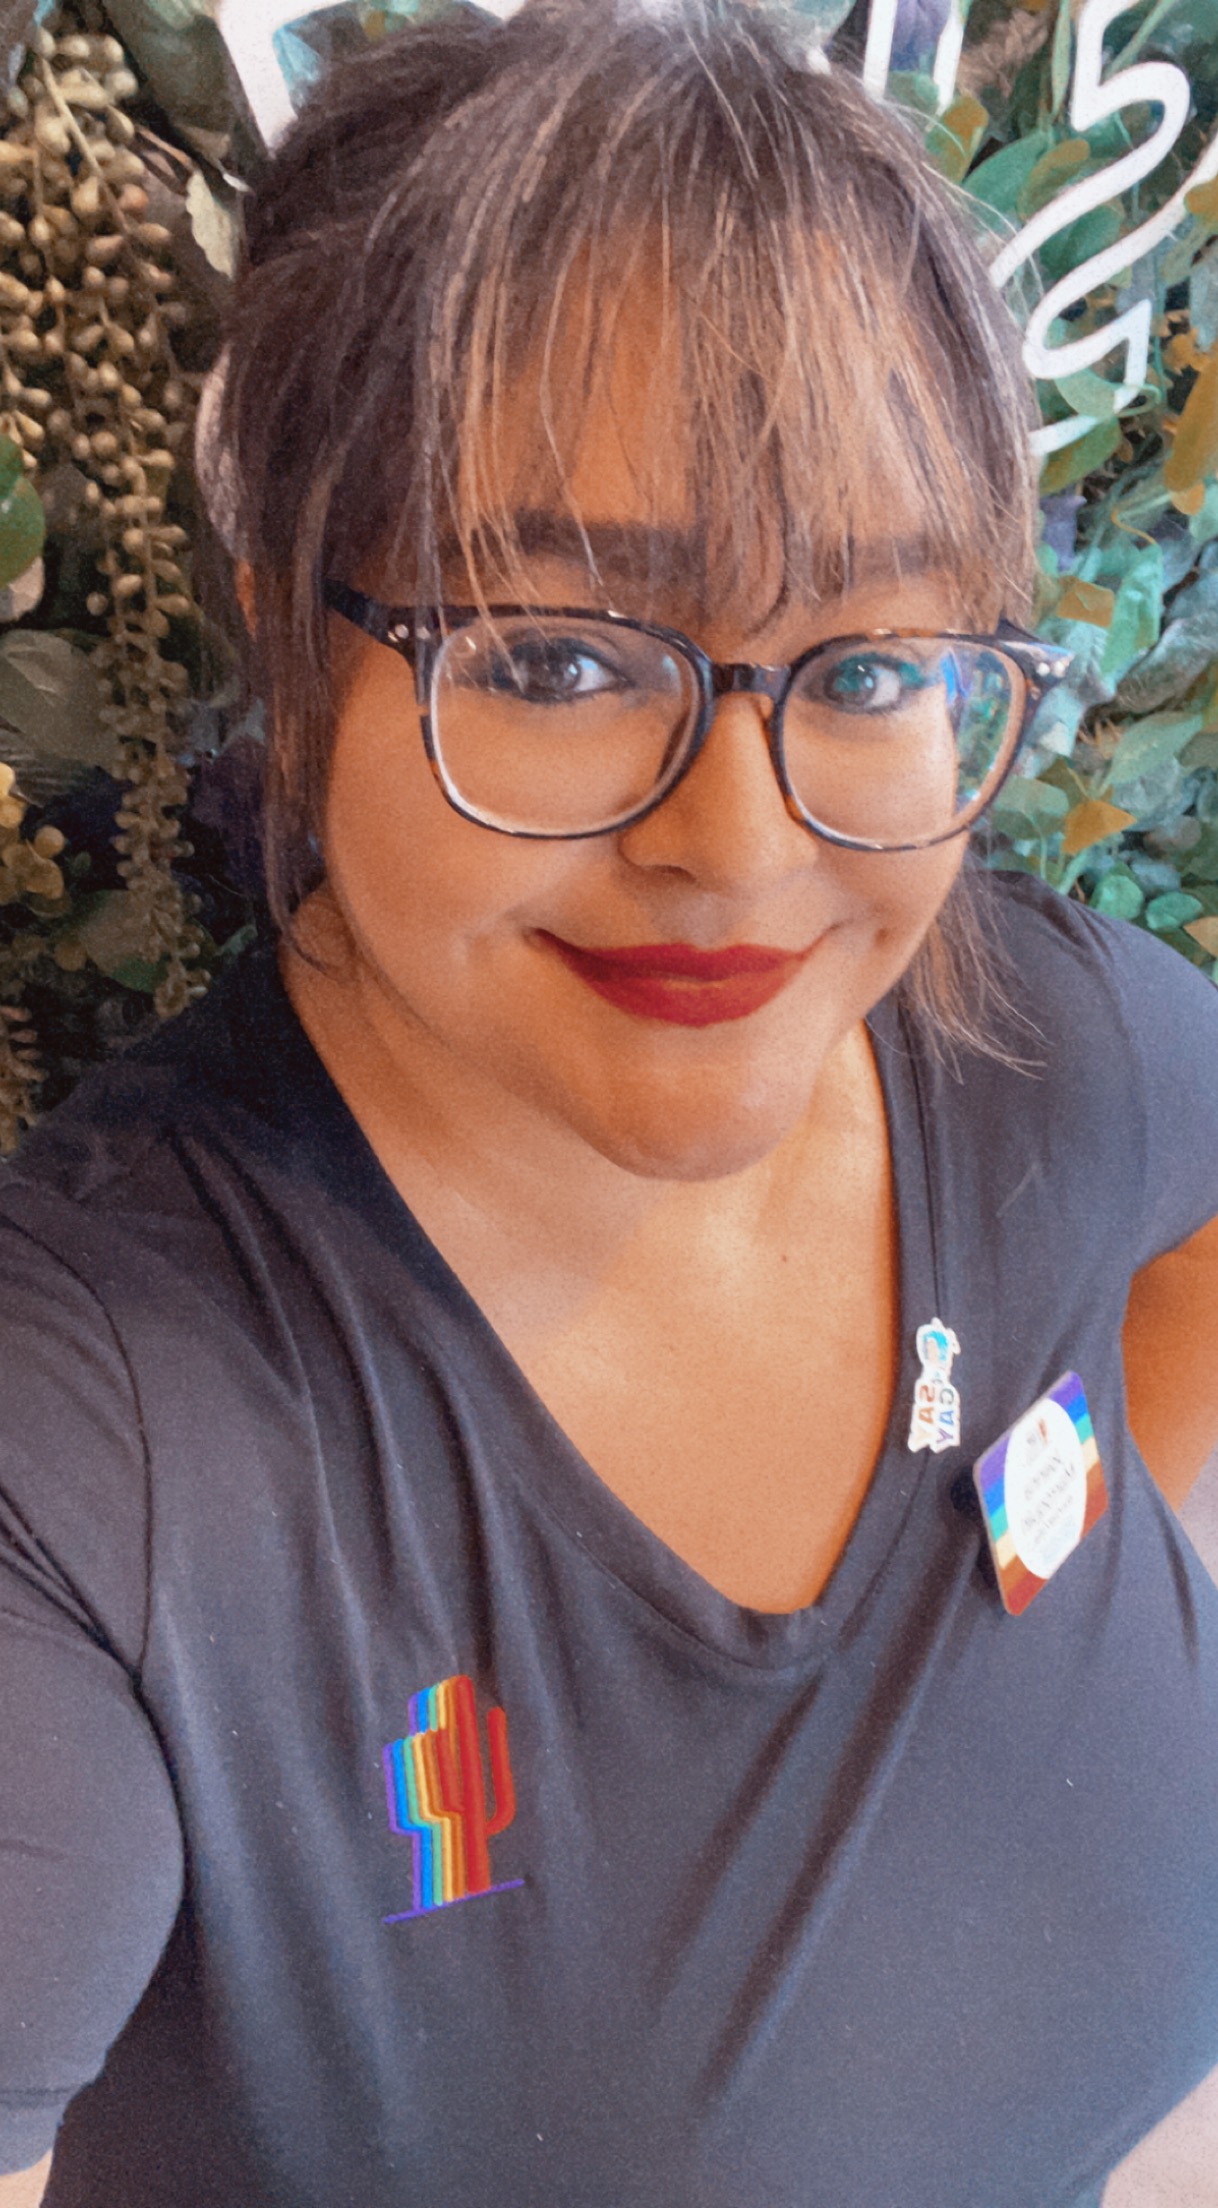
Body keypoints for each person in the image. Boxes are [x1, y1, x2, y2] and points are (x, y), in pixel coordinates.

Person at [3, 3, 1218, 2203]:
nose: (740, 851)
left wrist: (1118, 1528)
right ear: (295, 647)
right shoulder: (91, 1431)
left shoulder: (1038, 1045)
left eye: (862, 667)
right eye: (558, 657)